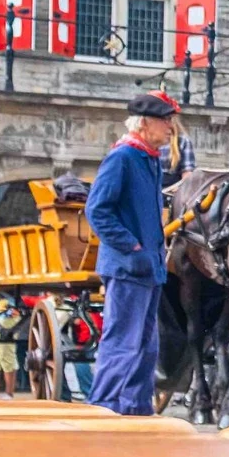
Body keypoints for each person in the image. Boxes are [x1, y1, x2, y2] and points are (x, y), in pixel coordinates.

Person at [84, 91, 178, 417]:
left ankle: (136, 408)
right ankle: (104, 406)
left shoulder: (147, 158)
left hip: (146, 268)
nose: (170, 127)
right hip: (128, 266)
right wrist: (131, 246)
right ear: (145, 123)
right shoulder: (123, 157)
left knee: (147, 345)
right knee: (123, 341)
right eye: (165, 120)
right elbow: (97, 210)